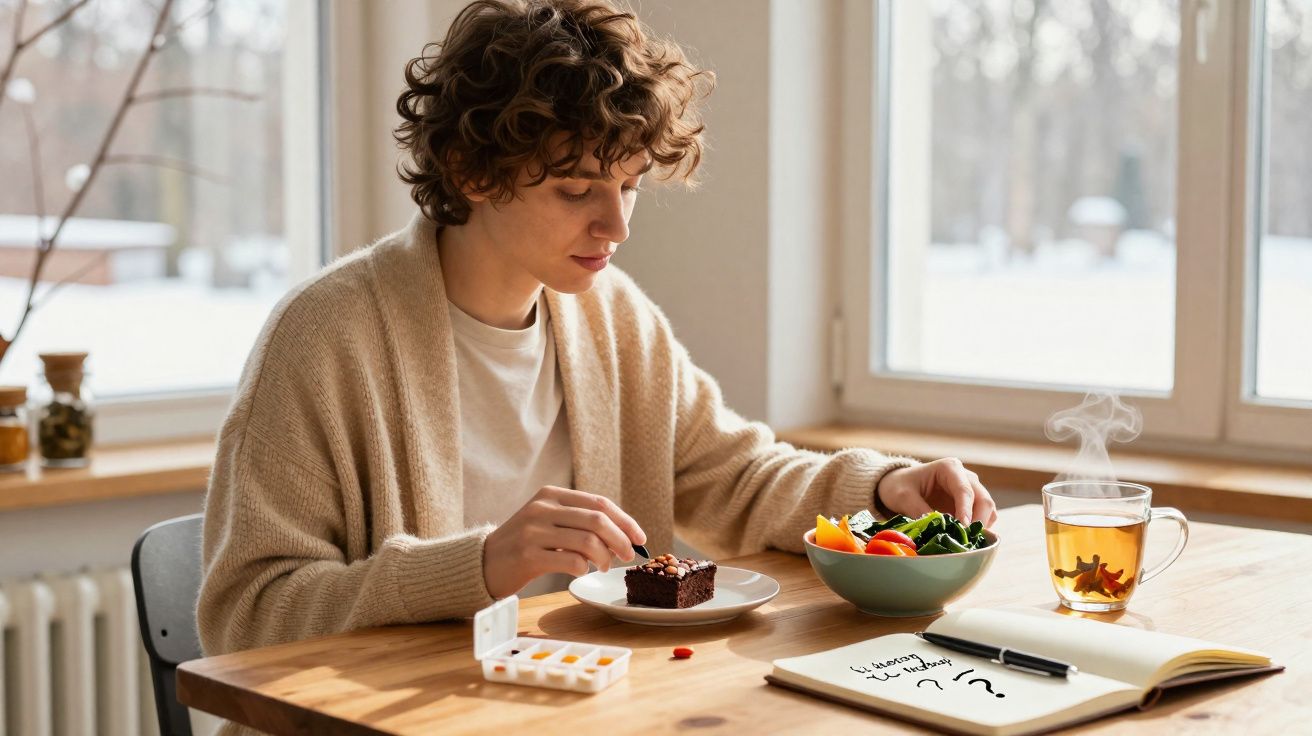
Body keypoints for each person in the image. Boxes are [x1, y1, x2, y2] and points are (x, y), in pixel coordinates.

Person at [198, 0, 996, 668]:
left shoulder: (613, 317)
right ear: (471, 172)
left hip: (582, 703)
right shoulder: (327, 335)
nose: (614, 224)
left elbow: (738, 477)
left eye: (629, 187)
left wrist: (879, 494)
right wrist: (475, 568)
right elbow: (247, 615)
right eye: (577, 188)